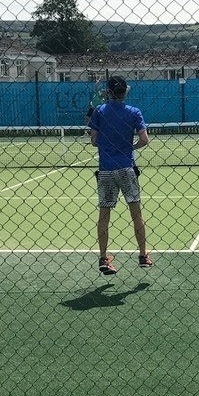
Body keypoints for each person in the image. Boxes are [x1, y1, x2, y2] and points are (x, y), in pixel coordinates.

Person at [88, 75, 151, 274]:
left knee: (104, 214)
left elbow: (94, 140)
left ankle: (103, 258)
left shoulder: (100, 111)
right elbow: (144, 140)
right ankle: (143, 255)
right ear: (125, 92)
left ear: (109, 92)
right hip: (126, 169)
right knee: (136, 214)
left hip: (106, 170)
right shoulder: (134, 112)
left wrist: (108, 146)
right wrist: (129, 147)